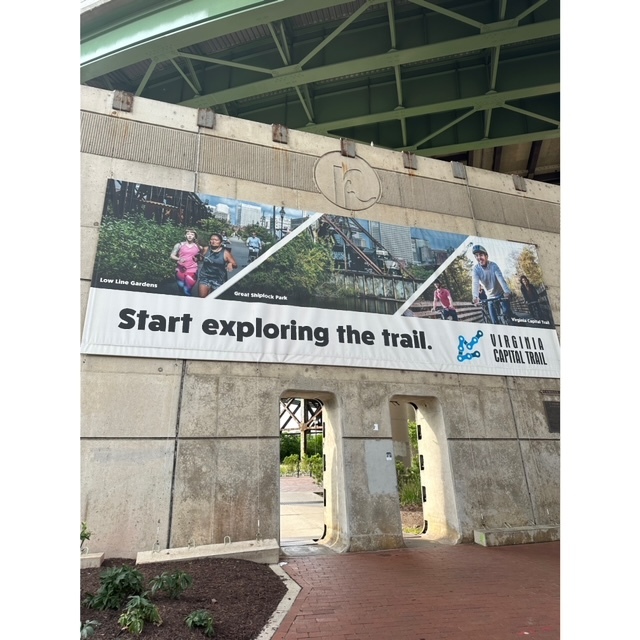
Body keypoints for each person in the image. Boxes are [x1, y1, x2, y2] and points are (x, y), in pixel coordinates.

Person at [471, 244, 512, 324]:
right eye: (476, 256)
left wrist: (507, 292)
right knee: (494, 321)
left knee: (507, 313)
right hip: (490, 297)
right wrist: (475, 296)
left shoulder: (493, 266)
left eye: (481, 255)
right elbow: (475, 282)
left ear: (486, 256)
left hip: (501, 294)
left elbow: (500, 279)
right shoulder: (476, 269)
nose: (479, 258)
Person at [198, 233, 237, 297]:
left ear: (221, 242)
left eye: (216, 240)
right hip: (205, 277)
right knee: (202, 299)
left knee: (214, 299)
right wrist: (197, 258)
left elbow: (235, 265)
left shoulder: (225, 253)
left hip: (218, 279)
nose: (213, 241)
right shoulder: (206, 249)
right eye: (212, 239)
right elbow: (200, 259)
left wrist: (230, 264)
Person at [170, 229, 202, 296]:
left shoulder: (198, 247)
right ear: (185, 235)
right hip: (180, 270)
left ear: (195, 237)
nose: (190, 236)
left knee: (187, 291)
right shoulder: (179, 245)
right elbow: (172, 255)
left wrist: (198, 258)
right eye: (188, 234)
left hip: (192, 270)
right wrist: (179, 258)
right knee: (181, 290)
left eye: (192, 234)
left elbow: (201, 258)